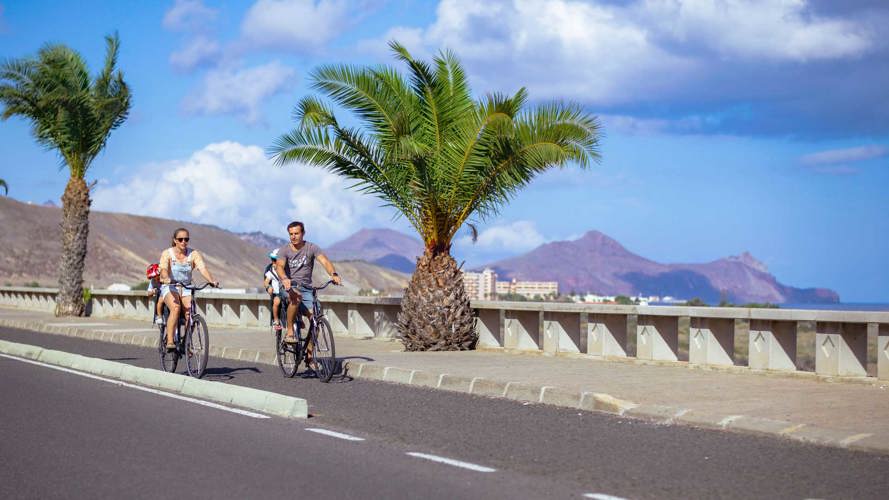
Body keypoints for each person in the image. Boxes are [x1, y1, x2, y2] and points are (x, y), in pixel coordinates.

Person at [275, 221, 341, 367]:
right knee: (295, 297)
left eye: (296, 233)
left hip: (306, 288)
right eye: (291, 234)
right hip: (288, 287)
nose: (293, 236)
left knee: (316, 319)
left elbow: (324, 261)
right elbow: (279, 266)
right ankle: (290, 330)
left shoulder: (311, 248)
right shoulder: (284, 250)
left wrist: (333, 274)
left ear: (303, 233)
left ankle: (309, 356)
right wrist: (285, 279)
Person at [158, 227, 219, 350]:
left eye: (186, 239)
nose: (183, 242)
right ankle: (170, 341)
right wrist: (166, 278)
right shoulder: (167, 253)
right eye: (180, 239)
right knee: (175, 308)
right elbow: (163, 269)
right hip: (171, 286)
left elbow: (202, 268)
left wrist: (211, 280)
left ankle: (186, 342)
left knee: (189, 314)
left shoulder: (193, 254)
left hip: (186, 287)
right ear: (175, 240)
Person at [264, 248, 283, 332]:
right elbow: (266, 281)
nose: (273, 262)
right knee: (276, 302)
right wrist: (268, 287)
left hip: (287, 292)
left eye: (275, 260)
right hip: (277, 293)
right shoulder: (271, 271)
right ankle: (276, 320)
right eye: (273, 260)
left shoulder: (287, 270)